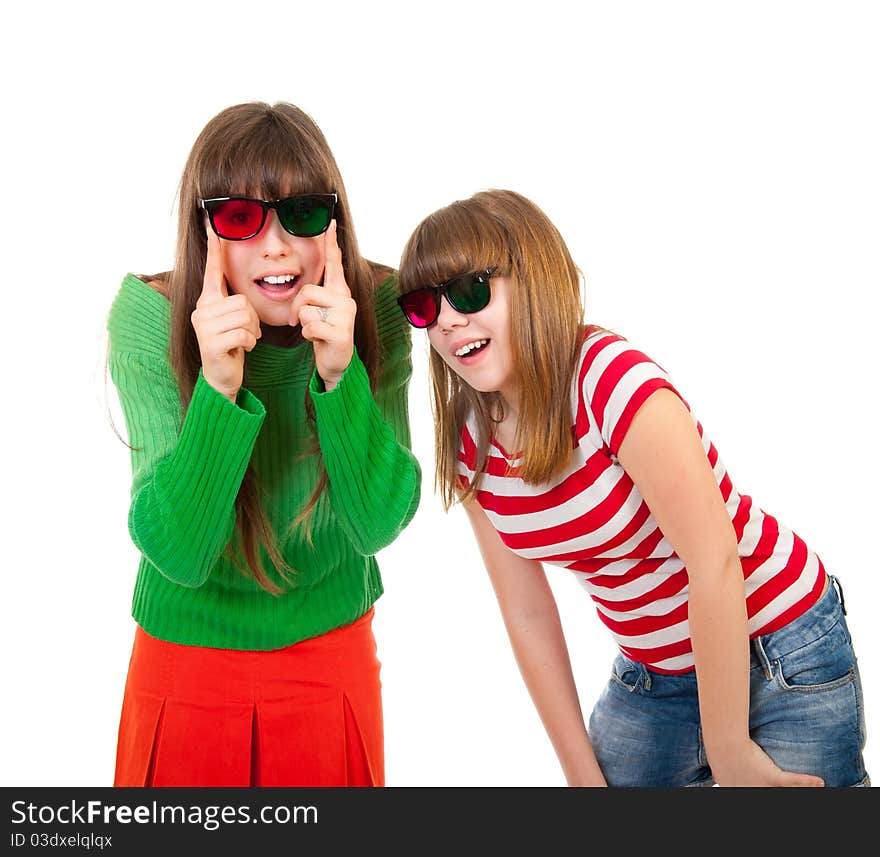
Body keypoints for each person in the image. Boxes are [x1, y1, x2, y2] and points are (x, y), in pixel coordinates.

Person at [396, 188, 869, 787]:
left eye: (469, 290)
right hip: (656, 672)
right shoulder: (470, 446)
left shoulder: (611, 381)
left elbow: (714, 561)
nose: (447, 319)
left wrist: (730, 754)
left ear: (534, 279)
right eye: (422, 305)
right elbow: (527, 611)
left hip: (777, 646)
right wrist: (580, 777)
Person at [107, 102, 420, 786]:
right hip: (184, 661)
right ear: (203, 230)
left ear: (334, 224)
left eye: (303, 214)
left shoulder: (381, 305)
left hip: (330, 655)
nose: (276, 246)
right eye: (242, 218)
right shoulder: (149, 317)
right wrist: (217, 389)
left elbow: (376, 522)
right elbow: (178, 552)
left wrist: (340, 376)